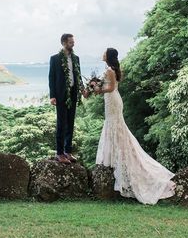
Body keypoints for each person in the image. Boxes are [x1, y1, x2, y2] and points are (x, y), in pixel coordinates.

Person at [93, 47, 175, 204]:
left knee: (115, 125)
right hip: (112, 100)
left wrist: (97, 89)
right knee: (114, 125)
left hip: (112, 99)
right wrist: (98, 87)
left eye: (104, 52)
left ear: (108, 56)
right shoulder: (111, 69)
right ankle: (113, 157)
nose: (102, 53)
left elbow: (109, 88)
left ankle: (116, 156)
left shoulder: (110, 70)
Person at [49, 33, 87, 164]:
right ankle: (59, 153)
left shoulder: (76, 58)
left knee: (70, 123)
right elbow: (51, 78)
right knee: (61, 124)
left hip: (73, 94)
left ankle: (68, 152)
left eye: (73, 42)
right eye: (71, 42)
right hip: (60, 95)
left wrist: (82, 90)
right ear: (64, 43)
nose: (73, 44)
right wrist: (52, 96)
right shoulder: (55, 59)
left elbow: (79, 76)